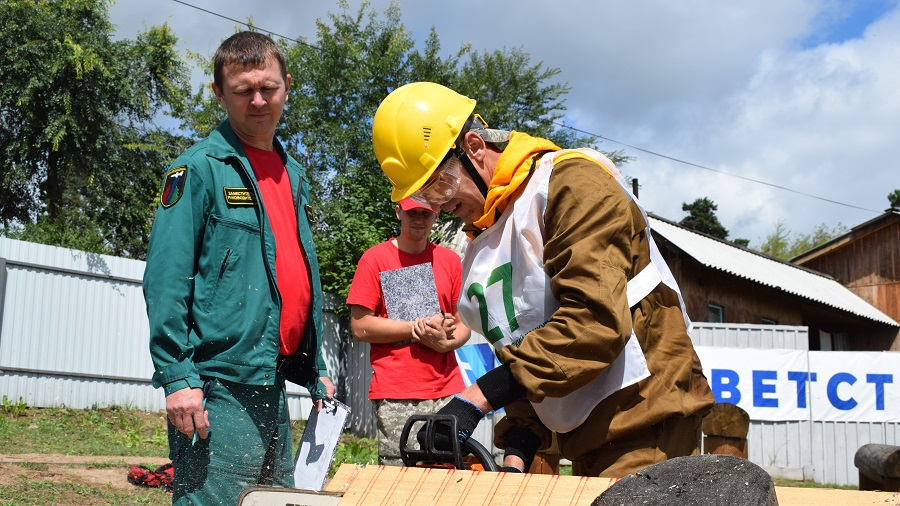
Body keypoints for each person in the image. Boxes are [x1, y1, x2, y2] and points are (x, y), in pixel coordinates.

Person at [370, 82, 715, 477]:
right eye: (426, 196)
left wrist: (477, 397)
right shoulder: (482, 243)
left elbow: (595, 322)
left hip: (646, 414)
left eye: (441, 184)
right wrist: (518, 452)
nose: (440, 204)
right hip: (586, 435)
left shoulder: (571, 183)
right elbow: (523, 351)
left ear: (474, 147)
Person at [143, 31, 334, 504]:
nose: (258, 100)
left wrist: (317, 368)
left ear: (287, 86)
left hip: (271, 380)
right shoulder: (199, 169)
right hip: (217, 385)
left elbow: (295, 273)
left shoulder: (294, 174)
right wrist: (177, 377)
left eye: (267, 87)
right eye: (243, 90)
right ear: (218, 93)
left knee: (274, 501)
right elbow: (166, 279)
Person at [346, 197, 472, 466]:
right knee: (400, 481)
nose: (418, 219)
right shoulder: (375, 259)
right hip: (396, 394)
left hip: (446, 391)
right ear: (398, 212)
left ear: (436, 214)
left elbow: (464, 325)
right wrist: (415, 329)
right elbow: (360, 326)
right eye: (412, 212)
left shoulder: (450, 261)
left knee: (447, 478)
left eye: (425, 213)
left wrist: (447, 343)